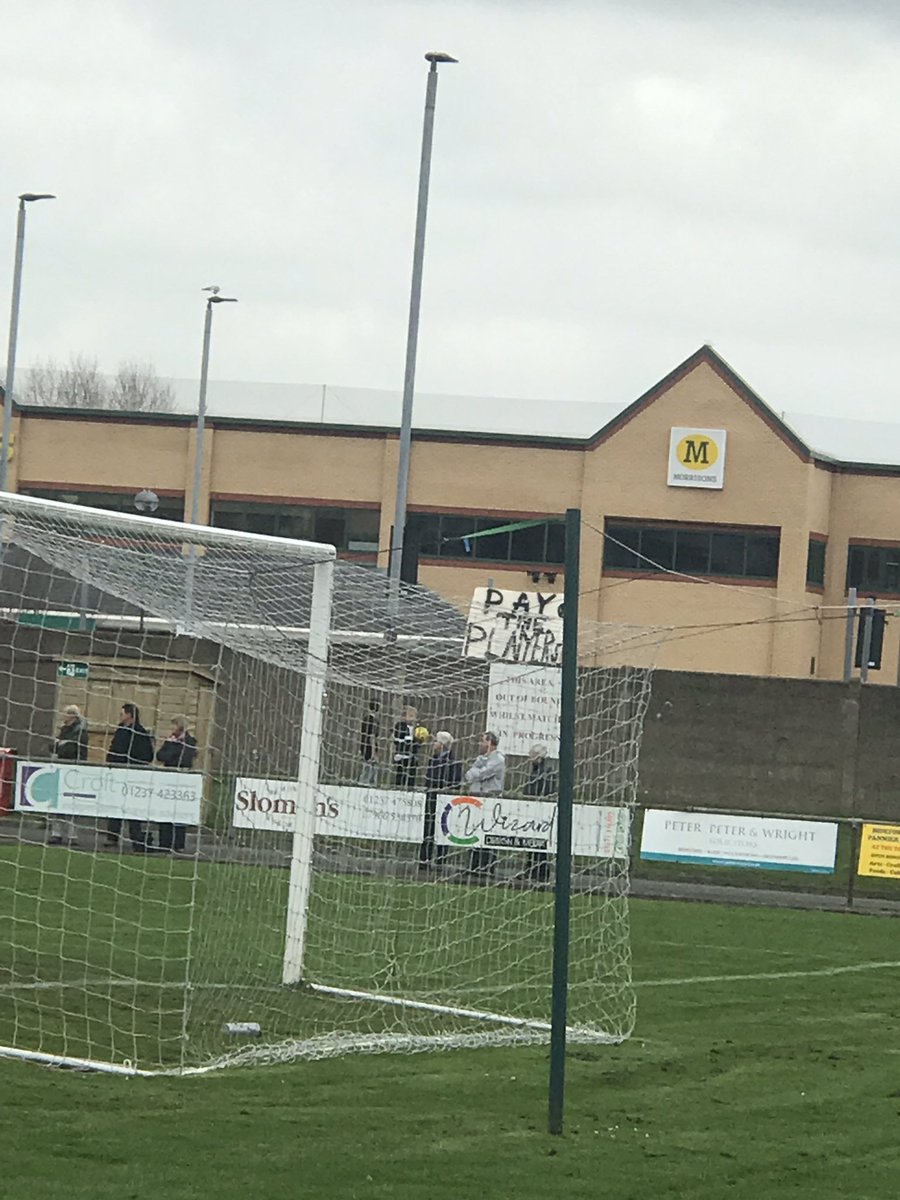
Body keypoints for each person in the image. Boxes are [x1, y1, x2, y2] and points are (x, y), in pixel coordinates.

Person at [104, 703, 155, 852]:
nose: (120, 716)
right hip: (118, 774)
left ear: (130, 715)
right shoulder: (120, 730)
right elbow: (113, 749)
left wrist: (132, 764)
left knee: (133, 808)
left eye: (122, 713)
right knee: (115, 806)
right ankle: (112, 836)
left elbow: (147, 755)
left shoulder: (140, 732)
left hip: (133, 776)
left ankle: (136, 838)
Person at [465, 730, 506, 879]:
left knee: (488, 834)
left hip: (491, 801)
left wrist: (475, 772)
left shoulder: (498, 759)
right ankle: (474, 866)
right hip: (477, 800)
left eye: (483, 741)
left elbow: (482, 773)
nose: (481, 744)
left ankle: (487, 868)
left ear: (489, 743)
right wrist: (475, 772)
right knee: (475, 832)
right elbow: (469, 774)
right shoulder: (481, 758)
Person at [419, 731, 462, 871]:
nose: (434, 744)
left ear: (442, 745)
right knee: (428, 829)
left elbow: (455, 782)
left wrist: (445, 792)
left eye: (436, 742)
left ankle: (440, 860)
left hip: (445, 800)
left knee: (443, 829)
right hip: (431, 798)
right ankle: (424, 860)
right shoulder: (433, 759)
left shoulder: (453, 761)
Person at [155, 715, 198, 853]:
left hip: (182, 782)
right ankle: (164, 843)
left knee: (179, 813)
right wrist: (172, 748)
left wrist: (172, 749)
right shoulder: (170, 740)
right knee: (165, 811)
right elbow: (160, 756)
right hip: (168, 781)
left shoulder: (190, 742)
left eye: (174, 725)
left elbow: (184, 759)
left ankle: (179, 843)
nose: (171, 729)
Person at [47, 704, 89, 845]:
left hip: (73, 771)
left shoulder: (80, 732)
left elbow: (72, 749)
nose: (63, 716)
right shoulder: (63, 730)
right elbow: (52, 745)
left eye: (65, 714)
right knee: (57, 801)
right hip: (61, 770)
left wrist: (60, 746)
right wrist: (59, 744)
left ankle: (72, 835)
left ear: (71, 715)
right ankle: (56, 833)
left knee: (72, 802)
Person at [522, 743, 556, 885]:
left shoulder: (546, 771)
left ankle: (540, 872)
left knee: (539, 844)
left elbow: (544, 789)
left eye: (532, 756)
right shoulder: (537, 770)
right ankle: (531, 869)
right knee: (533, 842)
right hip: (534, 808)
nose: (530, 759)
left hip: (541, 810)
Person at [393, 705, 424, 788]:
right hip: (402, 756)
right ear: (404, 716)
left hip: (412, 757)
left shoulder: (417, 728)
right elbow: (399, 739)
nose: (413, 718)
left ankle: (410, 789)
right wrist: (411, 739)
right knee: (400, 775)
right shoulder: (400, 726)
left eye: (414, 716)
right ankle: (398, 788)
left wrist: (420, 740)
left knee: (411, 775)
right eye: (410, 716)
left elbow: (417, 744)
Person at [359, 699, 380, 786]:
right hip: (369, 748)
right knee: (369, 771)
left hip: (364, 746)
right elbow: (372, 736)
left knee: (367, 769)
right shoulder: (373, 720)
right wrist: (374, 752)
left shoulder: (365, 718)